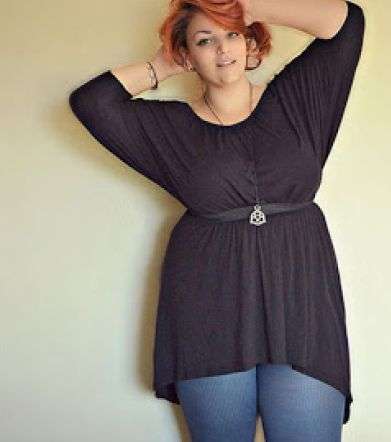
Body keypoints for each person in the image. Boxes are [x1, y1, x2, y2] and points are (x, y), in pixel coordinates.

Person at [68, 0, 364, 439]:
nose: (223, 50)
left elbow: (347, 23)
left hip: (301, 289)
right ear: (187, 55)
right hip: (209, 300)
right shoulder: (170, 129)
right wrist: (164, 64)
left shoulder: (300, 100)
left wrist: (249, 6)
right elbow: (92, 103)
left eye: (232, 35)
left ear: (250, 42)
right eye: (205, 41)